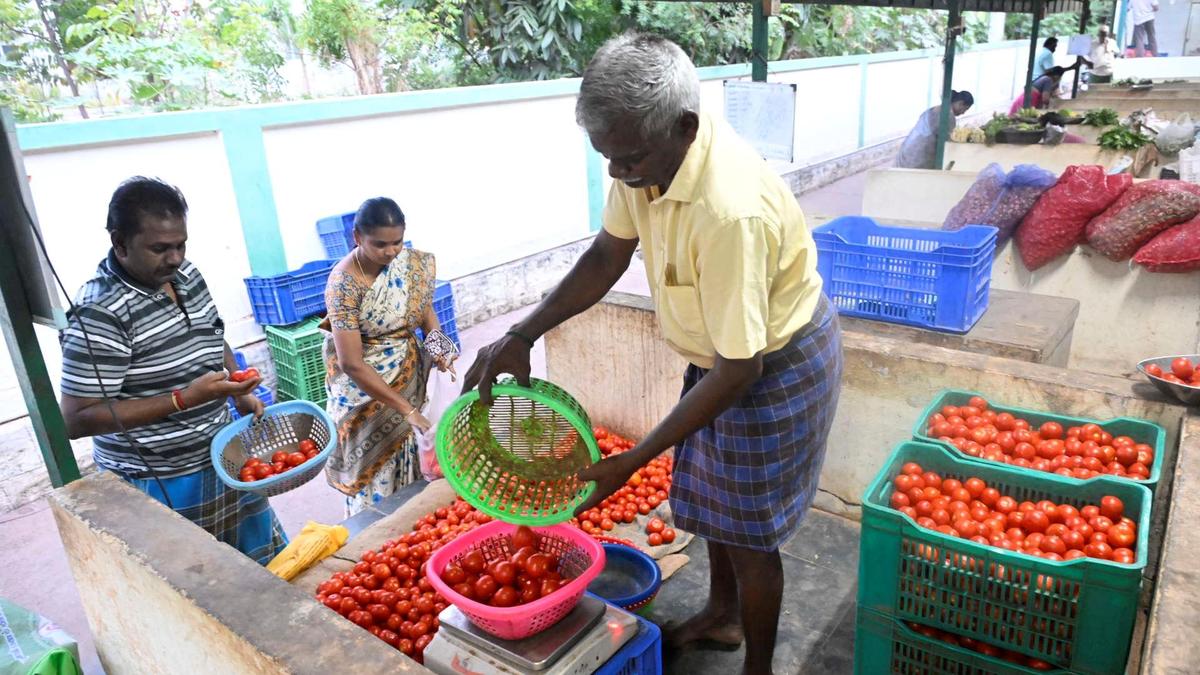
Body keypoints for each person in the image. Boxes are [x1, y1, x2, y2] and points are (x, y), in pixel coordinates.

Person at [462, 33, 842, 675]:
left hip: (771, 365)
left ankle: (759, 669)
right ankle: (723, 618)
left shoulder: (730, 211)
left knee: (749, 534)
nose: (617, 172)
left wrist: (634, 461)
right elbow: (607, 255)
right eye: (606, 157)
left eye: (629, 158)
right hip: (721, 359)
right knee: (714, 502)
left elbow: (741, 368)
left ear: (684, 127)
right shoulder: (645, 157)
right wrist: (521, 334)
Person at [59, 177, 286, 565]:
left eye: (181, 245)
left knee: (265, 572)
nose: (175, 257)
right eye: (160, 248)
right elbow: (76, 420)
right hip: (161, 479)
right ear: (120, 243)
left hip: (222, 455)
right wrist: (184, 399)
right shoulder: (100, 313)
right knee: (196, 583)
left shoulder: (186, 276)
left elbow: (211, 336)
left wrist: (236, 385)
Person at [322, 197, 456, 516]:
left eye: (396, 242)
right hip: (364, 391)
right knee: (378, 478)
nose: (390, 252)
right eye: (380, 244)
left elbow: (422, 307)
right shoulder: (343, 284)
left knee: (417, 459)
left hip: (408, 370)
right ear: (357, 237)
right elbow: (351, 363)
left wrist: (437, 346)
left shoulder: (407, 265)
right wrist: (407, 410)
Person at [895, 90, 974, 169]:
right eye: (965, 109)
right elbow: (947, 143)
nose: (963, 113)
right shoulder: (948, 116)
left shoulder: (936, 109)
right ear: (960, 103)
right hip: (918, 159)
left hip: (906, 153)